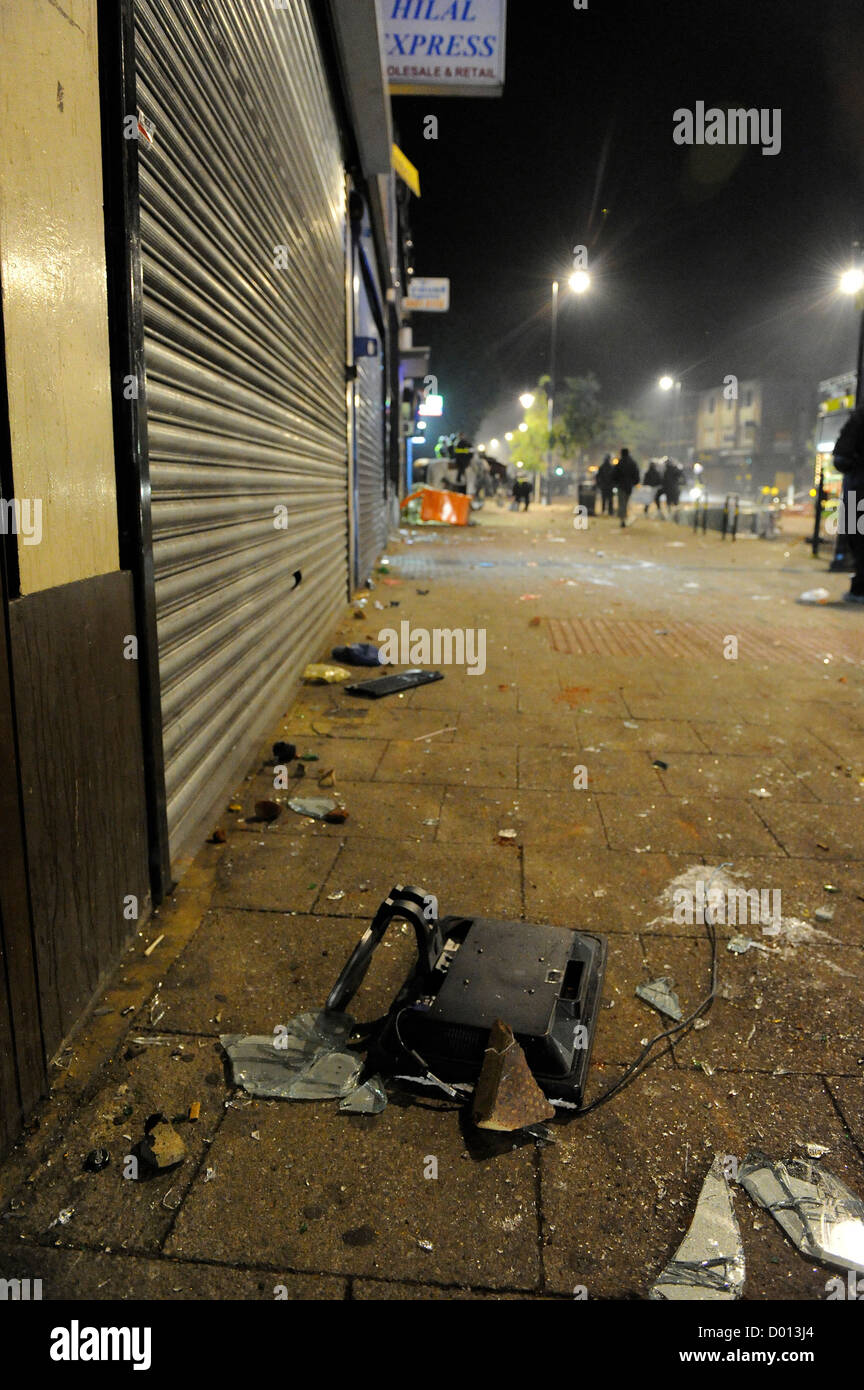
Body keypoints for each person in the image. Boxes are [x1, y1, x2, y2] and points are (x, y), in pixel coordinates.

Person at [832, 405, 864, 603]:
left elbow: (841, 458)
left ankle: (860, 589)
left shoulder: (858, 420)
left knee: (858, 540)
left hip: (859, 490)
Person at [614, 448, 640, 526]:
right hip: (629, 486)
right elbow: (636, 474)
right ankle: (624, 518)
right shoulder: (632, 463)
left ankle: (622, 519)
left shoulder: (620, 462)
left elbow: (614, 474)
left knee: (622, 503)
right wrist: (634, 483)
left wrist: (615, 482)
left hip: (621, 486)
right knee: (625, 502)